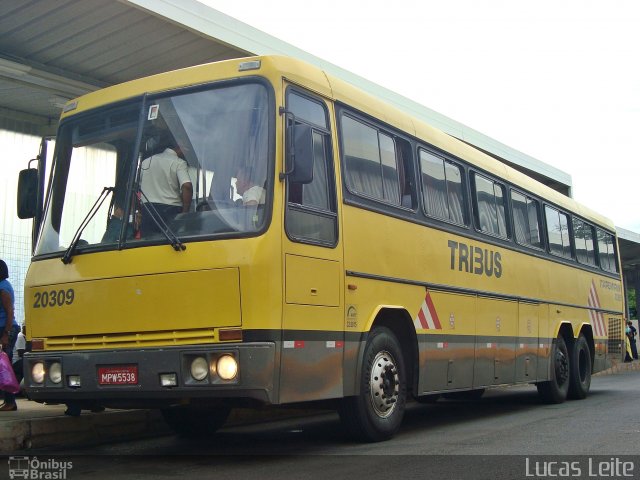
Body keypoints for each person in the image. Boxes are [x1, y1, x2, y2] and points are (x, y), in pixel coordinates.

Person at [139, 141, 193, 236]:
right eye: (187, 149)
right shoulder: (179, 162)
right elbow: (187, 186)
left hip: (148, 211)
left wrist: (138, 212)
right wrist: (185, 213)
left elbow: (135, 188)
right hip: (170, 212)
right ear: (180, 147)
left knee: (148, 244)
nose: (187, 154)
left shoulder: (145, 162)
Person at [0, 260, 20, 411]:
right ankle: (9, 401)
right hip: (4, 328)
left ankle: (11, 402)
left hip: (6, 329)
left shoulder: (2, 288)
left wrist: (6, 334)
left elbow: (10, 312)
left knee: (5, 366)